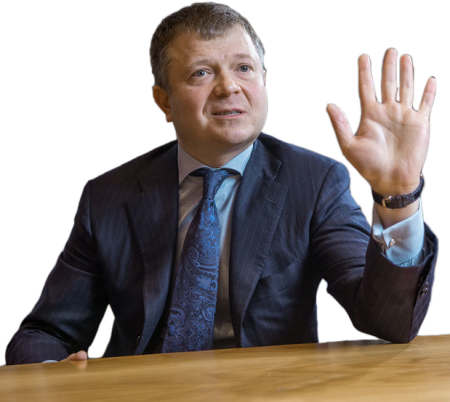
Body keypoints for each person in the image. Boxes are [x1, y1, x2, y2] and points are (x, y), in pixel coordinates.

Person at [5, 4, 437, 364]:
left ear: (263, 81)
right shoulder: (108, 198)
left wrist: (399, 195)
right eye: (201, 73)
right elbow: (45, 333)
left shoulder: (314, 181)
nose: (229, 87)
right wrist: (52, 372)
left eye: (244, 68)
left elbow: (390, 321)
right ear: (165, 102)